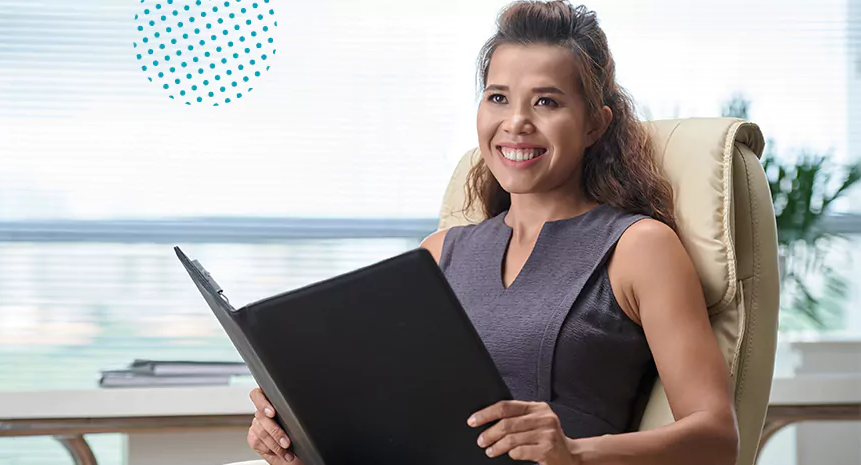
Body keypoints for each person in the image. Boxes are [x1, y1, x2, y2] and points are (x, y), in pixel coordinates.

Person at [247, 1, 738, 464]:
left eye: (546, 101)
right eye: (498, 98)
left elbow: (718, 439)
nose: (516, 122)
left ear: (594, 124)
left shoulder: (638, 247)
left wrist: (572, 452)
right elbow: (391, 415)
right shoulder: (437, 256)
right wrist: (292, 429)